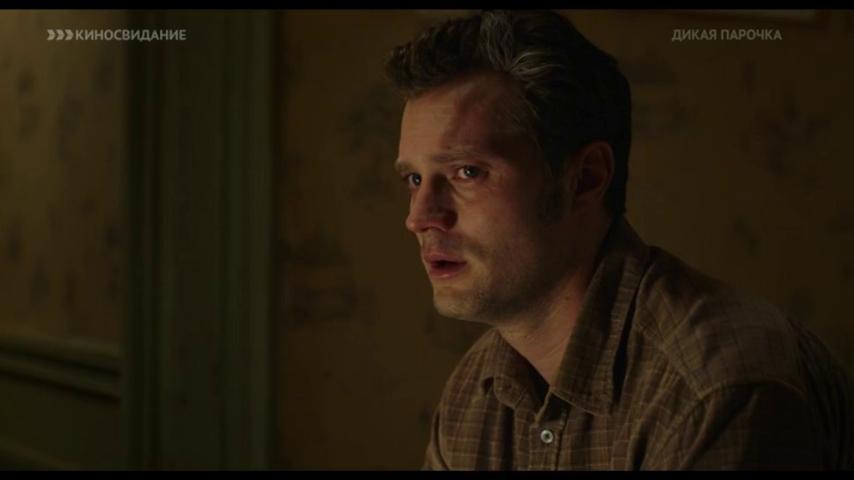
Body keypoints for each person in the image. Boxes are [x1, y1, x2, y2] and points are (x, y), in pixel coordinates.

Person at [384, 10, 854, 470]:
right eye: (414, 179)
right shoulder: (473, 394)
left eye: (467, 172)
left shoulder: (715, 387)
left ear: (586, 179)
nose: (419, 217)